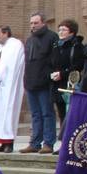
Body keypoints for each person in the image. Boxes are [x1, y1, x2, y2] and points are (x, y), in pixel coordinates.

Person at [22, 12, 59, 154]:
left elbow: (54, 60)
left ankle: (48, 143)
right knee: (35, 114)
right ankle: (35, 142)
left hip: (44, 83)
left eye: (35, 23)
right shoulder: (30, 40)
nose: (33, 25)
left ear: (43, 22)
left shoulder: (52, 37)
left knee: (47, 113)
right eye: (31, 23)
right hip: (31, 82)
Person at [0, 26, 26, 152]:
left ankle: (8, 143)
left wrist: (1, 77)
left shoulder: (15, 45)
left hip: (8, 88)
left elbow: (13, 67)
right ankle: (0, 143)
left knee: (8, 115)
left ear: (6, 33)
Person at [50, 19, 84, 130]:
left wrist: (62, 74)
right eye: (59, 29)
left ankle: (69, 141)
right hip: (57, 84)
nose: (60, 32)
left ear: (71, 32)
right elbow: (52, 63)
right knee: (61, 115)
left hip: (70, 85)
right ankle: (63, 141)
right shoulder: (56, 46)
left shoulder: (76, 46)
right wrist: (52, 74)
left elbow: (78, 66)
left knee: (71, 115)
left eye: (64, 30)